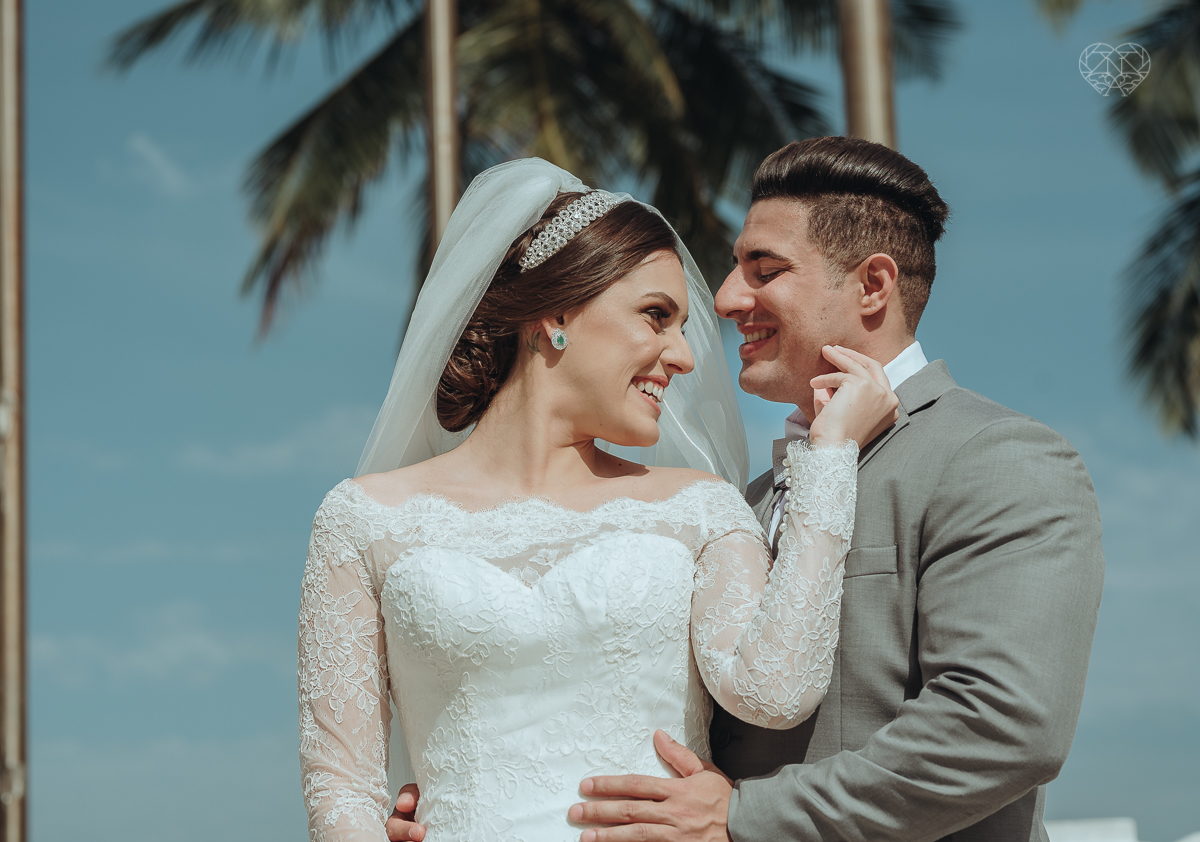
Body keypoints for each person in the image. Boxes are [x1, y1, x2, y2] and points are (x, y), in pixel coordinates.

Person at [298, 157, 899, 842]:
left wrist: (828, 458)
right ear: (555, 312)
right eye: (655, 317)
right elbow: (341, 783)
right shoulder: (363, 519)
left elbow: (775, 691)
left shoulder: (700, 509)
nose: (684, 357)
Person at [551, 138, 1106, 841]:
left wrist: (747, 817)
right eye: (734, 268)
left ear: (873, 285)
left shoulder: (998, 459)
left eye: (765, 269)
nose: (724, 299)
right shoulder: (739, 503)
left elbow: (1002, 726)